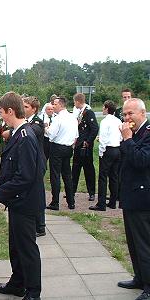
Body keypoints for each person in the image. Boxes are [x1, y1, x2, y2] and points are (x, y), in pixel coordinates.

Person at [0, 91, 45, 300]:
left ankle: (33, 292)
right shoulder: (19, 133)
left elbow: (26, 176)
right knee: (16, 246)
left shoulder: (25, 136)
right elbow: (15, 170)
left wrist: (0, 193)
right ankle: (18, 283)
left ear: (10, 111)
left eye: (2, 113)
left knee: (27, 248)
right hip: (19, 200)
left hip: (26, 201)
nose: (1, 117)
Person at [117, 98, 150, 300]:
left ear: (143, 114)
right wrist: (127, 140)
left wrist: (128, 139)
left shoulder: (147, 134)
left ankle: (149, 285)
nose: (127, 118)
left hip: (143, 197)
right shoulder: (135, 133)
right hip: (130, 194)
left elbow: (141, 161)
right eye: (125, 114)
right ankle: (139, 277)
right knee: (133, 242)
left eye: (131, 114)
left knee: (144, 243)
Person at [46, 96, 78, 210]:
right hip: (68, 147)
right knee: (67, 175)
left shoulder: (58, 118)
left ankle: (55, 202)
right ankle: (71, 202)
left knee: (55, 175)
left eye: (54, 104)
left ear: (60, 105)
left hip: (57, 147)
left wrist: (46, 128)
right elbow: (76, 135)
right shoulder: (72, 117)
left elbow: (51, 134)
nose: (53, 106)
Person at [89, 100, 122, 211]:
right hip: (117, 148)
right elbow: (121, 136)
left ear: (107, 108)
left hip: (108, 150)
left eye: (103, 107)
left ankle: (101, 203)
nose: (103, 109)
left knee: (103, 177)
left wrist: (101, 152)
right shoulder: (118, 121)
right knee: (114, 176)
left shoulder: (104, 122)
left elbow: (103, 139)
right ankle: (113, 202)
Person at [23, 96, 46, 237]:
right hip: (31, 161)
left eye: (26, 107)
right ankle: (33, 222)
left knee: (37, 192)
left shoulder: (37, 122)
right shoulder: (27, 122)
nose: (23, 109)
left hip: (38, 163)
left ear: (34, 109)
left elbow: (31, 131)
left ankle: (40, 226)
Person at [71, 93, 99, 202]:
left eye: (74, 102)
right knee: (75, 169)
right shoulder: (80, 112)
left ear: (78, 101)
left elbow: (94, 128)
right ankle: (71, 191)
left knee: (88, 170)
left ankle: (91, 192)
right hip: (78, 145)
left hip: (85, 147)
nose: (74, 104)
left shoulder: (89, 112)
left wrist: (88, 141)